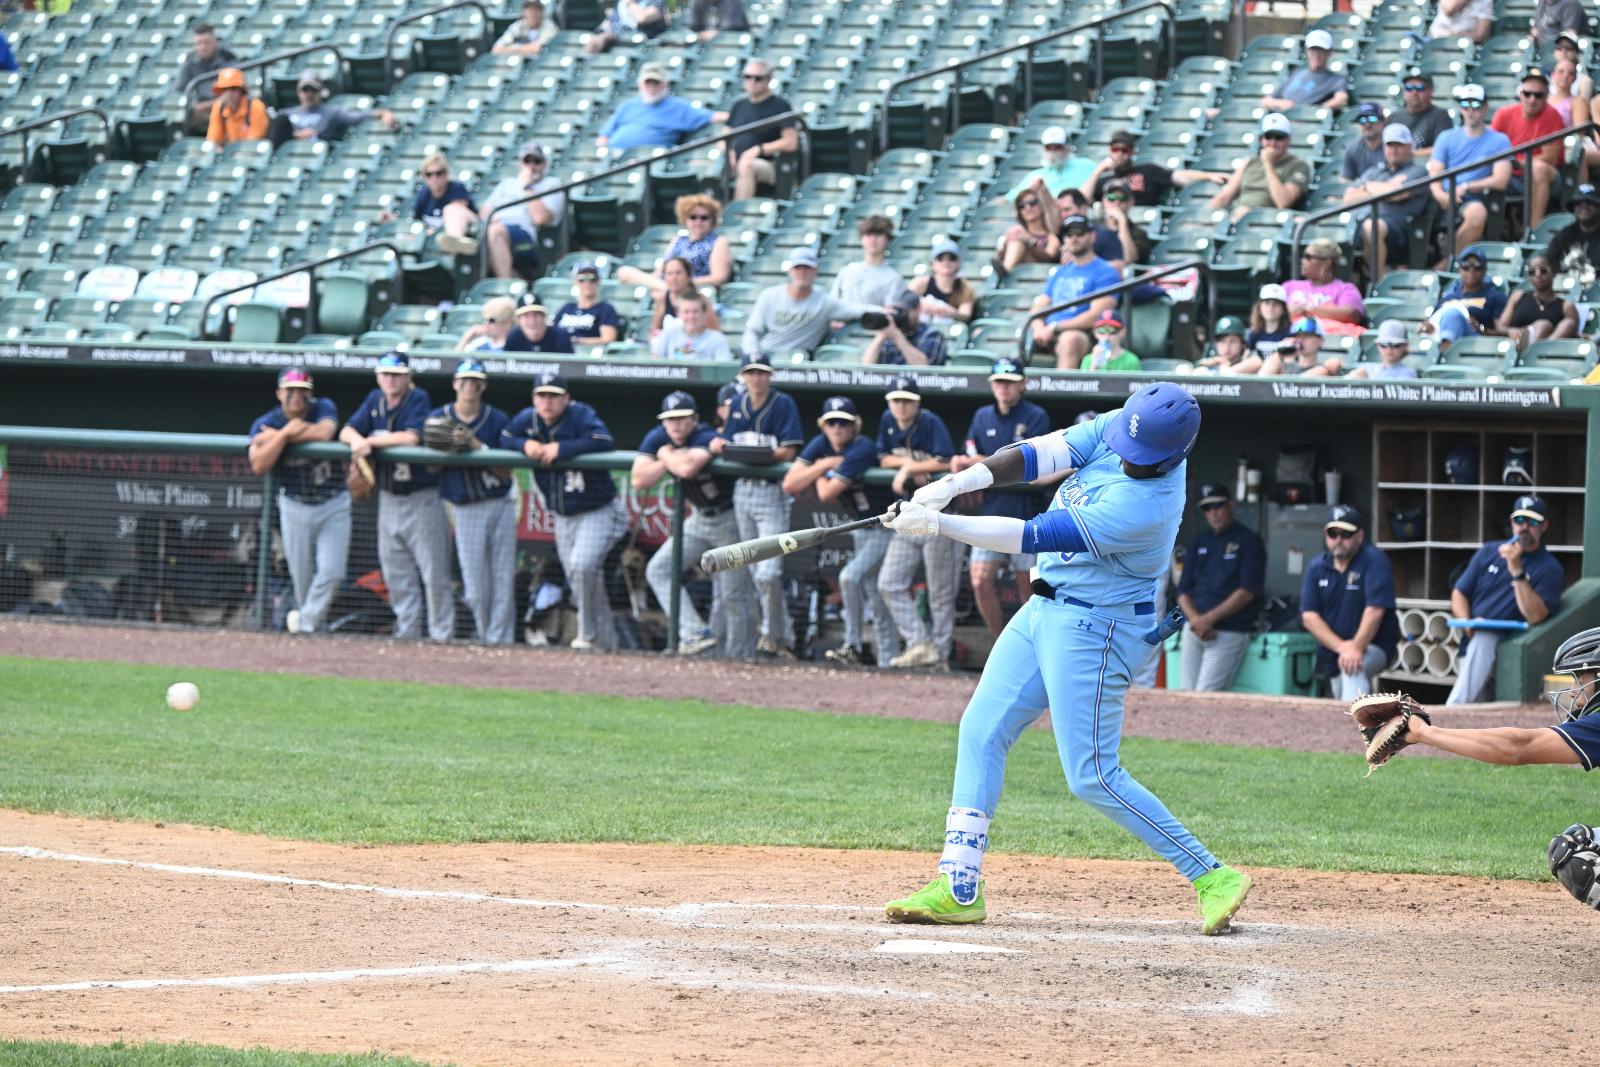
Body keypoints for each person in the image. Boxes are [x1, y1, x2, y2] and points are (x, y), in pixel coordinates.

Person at [879, 384, 1252, 935]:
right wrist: (954, 485)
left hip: (1096, 628)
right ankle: (959, 885)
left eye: (1140, 456)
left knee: (1092, 775)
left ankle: (1212, 875)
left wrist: (941, 524)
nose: (1126, 457)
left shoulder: (1145, 507)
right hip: (1043, 611)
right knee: (980, 729)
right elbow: (1032, 456)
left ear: (1174, 456)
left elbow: (1034, 535)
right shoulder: (1121, 424)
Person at [502, 372, 630, 651]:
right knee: (583, 578)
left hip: (599, 510)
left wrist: (563, 448)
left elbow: (603, 440)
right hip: (563, 517)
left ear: (566, 398)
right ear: (534, 398)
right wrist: (526, 444)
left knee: (582, 567)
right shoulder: (528, 419)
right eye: (542, 395)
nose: (547, 402)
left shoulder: (580, 414)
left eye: (554, 395)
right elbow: (505, 438)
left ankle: (587, 634)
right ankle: (607, 645)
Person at [340, 352, 455, 642]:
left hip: (422, 497)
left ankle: (441, 635)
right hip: (389, 497)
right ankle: (408, 632)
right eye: (386, 374)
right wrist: (357, 442)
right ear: (378, 376)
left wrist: (370, 443)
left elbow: (412, 437)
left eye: (397, 374)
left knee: (434, 574)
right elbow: (347, 430)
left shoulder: (417, 398)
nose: (390, 379)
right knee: (396, 572)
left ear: (407, 376)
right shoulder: (374, 400)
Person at [783, 397, 900, 668]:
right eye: (832, 423)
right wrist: (824, 465)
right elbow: (789, 483)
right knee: (875, 595)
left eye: (844, 423)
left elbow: (826, 493)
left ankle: (853, 645)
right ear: (824, 426)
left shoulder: (862, 447)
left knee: (850, 577)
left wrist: (817, 469)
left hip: (887, 527)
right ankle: (888, 662)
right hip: (862, 528)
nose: (837, 428)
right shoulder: (821, 445)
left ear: (854, 426)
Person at [633, 390, 747, 658]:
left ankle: (742, 657)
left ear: (694, 419)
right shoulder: (659, 436)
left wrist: (665, 456)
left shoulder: (705, 435)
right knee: (658, 570)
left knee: (732, 595)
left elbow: (686, 469)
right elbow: (639, 478)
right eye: (670, 419)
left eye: (682, 418)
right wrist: (670, 457)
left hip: (729, 518)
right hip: (699, 520)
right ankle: (695, 632)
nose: (676, 424)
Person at [710, 353, 805, 657]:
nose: (756, 378)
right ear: (743, 376)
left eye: (761, 372)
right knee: (753, 571)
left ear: (769, 375)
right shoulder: (736, 404)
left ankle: (771, 634)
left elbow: (790, 451)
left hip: (770, 492)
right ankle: (781, 634)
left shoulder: (783, 403)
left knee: (768, 573)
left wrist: (757, 455)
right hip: (742, 491)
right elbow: (726, 444)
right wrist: (724, 447)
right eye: (750, 372)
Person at [953, 358, 1051, 640]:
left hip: (1027, 512)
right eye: (999, 382)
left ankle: (1032, 644)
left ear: (1023, 384)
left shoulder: (1036, 416)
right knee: (980, 579)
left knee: (1027, 585)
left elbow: (1026, 465)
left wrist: (982, 462)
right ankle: (1001, 642)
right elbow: (969, 454)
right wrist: (962, 461)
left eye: (1010, 382)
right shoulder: (982, 415)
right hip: (992, 509)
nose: (1004, 387)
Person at [248, 368, 347, 636]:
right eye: (290, 391)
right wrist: (285, 434)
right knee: (303, 580)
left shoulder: (323, 407)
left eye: (302, 391)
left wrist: (281, 435)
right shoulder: (267, 421)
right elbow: (258, 463)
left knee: (332, 572)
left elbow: (326, 432)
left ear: (310, 393)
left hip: (332, 502)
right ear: (280, 393)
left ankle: (304, 624)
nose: (296, 397)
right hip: (294, 505)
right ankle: (313, 635)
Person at [430, 359, 515, 645]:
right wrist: (452, 446)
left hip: (498, 503)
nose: (470, 386)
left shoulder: (498, 418)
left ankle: (501, 640)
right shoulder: (438, 418)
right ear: (455, 384)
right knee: (476, 585)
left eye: (475, 380)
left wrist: (475, 445)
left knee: (503, 577)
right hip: (465, 508)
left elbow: (505, 474)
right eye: (464, 380)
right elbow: (430, 468)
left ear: (483, 385)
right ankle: (483, 634)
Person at [874, 376, 957, 671]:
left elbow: (947, 461)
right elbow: (883, 459)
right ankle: (921, 644)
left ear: (917, 402)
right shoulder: (887, 419)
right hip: (907, 517)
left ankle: (941, 657)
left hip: (938, 517)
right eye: (896, 400)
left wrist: (912, 467)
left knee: (940, 592)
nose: (901, 405)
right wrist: (911, 466)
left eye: (907, 400)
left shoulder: (930, 422)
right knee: (889, 583)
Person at [1446, 495, 1563, 704]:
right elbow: (1459, 593)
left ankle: (1445, 714)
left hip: (1511, 648)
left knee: (1485, 637)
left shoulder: (1550, 567)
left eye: (1533, 522)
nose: (1524, 527)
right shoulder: (1490, 551)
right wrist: (1469, 623)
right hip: (1473, 646)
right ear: (1511, 522)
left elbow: (1536, 615)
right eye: (1519, 521)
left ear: (1544, 526)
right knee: (1476, 719)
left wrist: (1516, 569)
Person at [1300, 505, 1400, 701]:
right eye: (1333, 533)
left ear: (1360, 535)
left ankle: (1355, 728)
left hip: (1374, 645)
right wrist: (1343, 647)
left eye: (1346, 534)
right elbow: (1309, 617)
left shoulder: (1374, 559)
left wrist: (1356, 646)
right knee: (1339, 695)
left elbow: (1375, 610)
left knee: (1352, 671)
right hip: (1334, 652)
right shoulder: (1316, 566)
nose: (1339, 540)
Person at [1175, 483, 1264, 692]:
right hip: (1194, 630)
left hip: (1228, 630)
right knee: (1186, 696)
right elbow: (1182, 591)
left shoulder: (1249, 540)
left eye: (1217, 505)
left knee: (1207, 696)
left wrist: (1209, 619)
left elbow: (1246, 592)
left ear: (1231, 505)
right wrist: (1197, 621)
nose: (1213, 512)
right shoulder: (1198, 542)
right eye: (1207, 508)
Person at [740, 247, 874, 359]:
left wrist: (886, 310)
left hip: (798, 362)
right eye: (798, 267)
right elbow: (752, 331)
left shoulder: (824, 302)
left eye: (807, 268)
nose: (802, 272)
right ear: (790, 270)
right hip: (765, 358)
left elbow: (856, 309)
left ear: (816, 270)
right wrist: (753, 356)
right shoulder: (768, 296)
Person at [1428, 84, 1513, 255]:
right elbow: (1434, 175)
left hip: (1469, 198)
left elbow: (1501, 180)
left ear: (1485, 108)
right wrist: (1441, 196)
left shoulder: (1500, 140)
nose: (1470, 111)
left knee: (1477, 213)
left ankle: (1447, 265)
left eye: (1476, 106)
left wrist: (1466, 186)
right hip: (1439, 198)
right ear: (1460, 108)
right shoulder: (1446, 137)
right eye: (1466, 106)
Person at [1029, 214, 1121, 368]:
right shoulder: (1059, 272)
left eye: (1079, 233)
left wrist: (1055, 327)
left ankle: (1060, 390)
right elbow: (1038, 308)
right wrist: (1039, 327)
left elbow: (1095, 316)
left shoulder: (1106, 271)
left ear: (1092, 236)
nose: (1073, 238)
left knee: (1069, 339)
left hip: (1083, 333)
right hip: (1048, 333)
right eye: (1069, 234)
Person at [1344, 124, 1431, 284]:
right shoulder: (1375, 171)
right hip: (1359, 223)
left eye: (1399, 145)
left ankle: (1377, 285)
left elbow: (1395, 195)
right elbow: (1348, 197)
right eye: (1390, 145)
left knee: (1372, 226)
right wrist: (1382, 187)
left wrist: (1368, 186)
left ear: (1410, 146)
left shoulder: (1418, 171)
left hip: (1398, 232)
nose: (1394, 149)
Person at [712, 59, 796, 201]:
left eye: (758, 78)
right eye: (747, 77)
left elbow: (791, 142)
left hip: (768, 164)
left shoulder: (780, 105)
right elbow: (723, 137)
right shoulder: (739, 105)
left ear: (769, 80)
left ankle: (738, 214)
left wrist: (759, 149)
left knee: (746, 164)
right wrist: (729, 151)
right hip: (735, 161)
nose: (751, 81)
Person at [1491, 71, 1565, 231]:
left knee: (1538, 168)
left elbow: (1549, 159)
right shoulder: (1504, 114)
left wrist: (1516, 164)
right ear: (1520, 94)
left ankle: (1532, 232)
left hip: (1548, 177)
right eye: (1527, 93)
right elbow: (1490, 148)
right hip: (1509, 174)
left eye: (1538, 95)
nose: (1532, 99)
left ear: (1546, 96)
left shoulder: (1552, 115)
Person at [481, 141, 566, 280]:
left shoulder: (553, 185)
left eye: (537, 161)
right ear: (521, 163)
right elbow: (485, 210)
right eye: (527, 161)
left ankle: (504, 286)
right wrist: (489, 218)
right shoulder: (507, 183)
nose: (531, 166)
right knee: (454, 210)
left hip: (524, 236)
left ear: (545, 163)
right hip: (495, 224)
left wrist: (528, 186)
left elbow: (541, 218)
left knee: (494, 231)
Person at [616, 194, 734, 294]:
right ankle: (666, 290)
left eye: (704, 217)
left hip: (692, 290)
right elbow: (661, 270)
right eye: (693, 217)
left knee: (660, 294)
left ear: (712, 220)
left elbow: (719, 278)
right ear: (685, 219)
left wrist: (684, 283)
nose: (698, 221)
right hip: (665, 285)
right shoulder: (678, 239)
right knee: (624, 272)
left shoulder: (718, 241)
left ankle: (667, 291)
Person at [1208, 114, 1311, 221]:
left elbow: (1283, 202)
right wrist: (1207, 216)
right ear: (1262, 140)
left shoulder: (1298, 165)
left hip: (1269, 220)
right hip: (1239, 216)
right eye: (1268, 137)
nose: (1273, 142)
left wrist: (1268, 164)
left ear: (1288, 140)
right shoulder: (1250, 162)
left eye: (1279, 137)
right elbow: (1226, 195)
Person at [1080, 130, 1220, 206]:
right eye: (1115, 149)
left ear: (1133, 152)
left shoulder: (1148, 171)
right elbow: (1082, 200)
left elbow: (1179, 176)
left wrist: (1208, 176)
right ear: (1109, 151)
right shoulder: (1105, 180)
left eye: (1125, 150)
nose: (1120, 154)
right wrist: (1097, 172)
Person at [596, 65, 710, 153]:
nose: (652, 87)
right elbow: (604, 136)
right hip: (615, 156)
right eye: (648, 82)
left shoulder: (679, 106)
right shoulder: (628, 105)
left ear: (666, 84)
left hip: (649, 159)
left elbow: (714, 116)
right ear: (640, 84)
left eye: (656, 82)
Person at [274, 72, 397, 145]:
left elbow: (357, 116)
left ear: (321, 91)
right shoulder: (284, 115)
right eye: (305, 89)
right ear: (298, 91)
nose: (309, 94)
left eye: (314, 89)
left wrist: (382, 112)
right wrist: (293, 135)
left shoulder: (331, 112)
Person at [1497, 252, 1580, 349]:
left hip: (1549, 348)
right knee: (1543, 325)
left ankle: (1536, 349)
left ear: (1553, 271)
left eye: (1543, 271)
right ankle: (1529, 347)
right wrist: (1510, 330)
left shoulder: (1566, 306)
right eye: (1532, 272)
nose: (1538, 275)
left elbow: (1573, 333)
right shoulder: (1518, 296)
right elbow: (1500, 327)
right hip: (1516, 343)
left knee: (1555, 324)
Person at [1428, 245, 1508, 346]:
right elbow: (1431, 323)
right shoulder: (1448, 298)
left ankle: (1444, 357)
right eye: (1466, 265)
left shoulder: (1495, 297)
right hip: (1440, 337)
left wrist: (1481, 329)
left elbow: (1503, 334)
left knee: (1452, 314)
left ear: (1485, 269)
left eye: (1477, 265)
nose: (1471, 270)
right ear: (1460, 269)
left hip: (1477, 343)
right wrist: (1425, 327)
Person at [407, 153, 479, 257]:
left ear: (446, 174)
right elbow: (416, 223)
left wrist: (433, 233)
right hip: (431, 245)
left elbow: (458, 217)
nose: (434, 177)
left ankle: (454, 241)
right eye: (429, 174)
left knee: (451, 209)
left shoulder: (457, 189)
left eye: (438, 173)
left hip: (462, 236)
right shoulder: (423, 194)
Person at [1283, 239, 1366, 329]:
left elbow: (1351, 315)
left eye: (1308, 257)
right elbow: (1270, 307)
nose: (1303, 261)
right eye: (1303, 256)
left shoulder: (1346, 289)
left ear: (1327, 262)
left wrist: (1306, 309)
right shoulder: (1289, 286)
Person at [1260, 29, 1349, 112]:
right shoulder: (1297, 74)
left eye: (1321, 50)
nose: (1316, 54)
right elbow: (1266, 101)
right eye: (1313, 50)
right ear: (1306, 51)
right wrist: (1283, 104)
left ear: (1329, 52)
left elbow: (1342, 99)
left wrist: (1316, 112)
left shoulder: (1335, 79)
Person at [831, 215, 908, 307]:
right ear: (861, 239)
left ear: (887, 239)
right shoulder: (846, 272)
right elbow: (832, 305)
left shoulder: (894, 278)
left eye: (878, 234)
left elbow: (890, 313)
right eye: (868, 234)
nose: (873, 239)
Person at [1001, 127, 1096, 201]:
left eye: (1058, 147)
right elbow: (1009, 198)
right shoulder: (1036, 175)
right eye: (1049, 147)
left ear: (1068, 147)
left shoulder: (1086, 165)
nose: (1053, 151)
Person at [176, 24, 239, 136]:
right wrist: (192, 106)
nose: (203, 47)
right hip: (200, 111)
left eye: (206, 42)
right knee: (178, 119)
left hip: (224, 108)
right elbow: (178, 90)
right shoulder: (190, 61)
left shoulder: (228, 58)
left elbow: (232, 95)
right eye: (199, 43)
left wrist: (202, 107)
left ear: (215, 41)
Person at [860, 289, 949, 366]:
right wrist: (881, 335)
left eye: (902, 311)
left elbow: (925, 370)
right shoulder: (888, 334)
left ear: (918, 310)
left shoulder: (932, 335)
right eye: (895, 310)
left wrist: (897, 337)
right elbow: (866, 367)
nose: (898, 315)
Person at [648, 257, 723, 336]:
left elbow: (715, 333)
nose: (674, 278)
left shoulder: (701, 299)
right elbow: (654, 333)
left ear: (688, 275)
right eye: (669, 274)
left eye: (678, 273)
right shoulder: (662, 298)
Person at [908, 237, 976, 323]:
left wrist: (951, 313)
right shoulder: (921, 282)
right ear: (933, 263)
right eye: (940, 258)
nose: (946, 261)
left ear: (959, 262)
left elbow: (966, 315)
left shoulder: (965, 289)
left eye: (952, 258)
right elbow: (906, 298)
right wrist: (922, 302)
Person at [650, 290, 733, 360]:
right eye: (686, 312)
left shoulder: (717, 339)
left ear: (705, 312)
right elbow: (656, 360)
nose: (691, 316)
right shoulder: (670, 333)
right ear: (678, 313)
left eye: (695, 311)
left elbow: (724, 370)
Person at [553, 261, 621, 346]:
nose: (587, 283)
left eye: (592, 278)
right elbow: (549, 329)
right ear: (575, 281)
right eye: (581, 279)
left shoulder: (605, 309)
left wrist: (577, 340)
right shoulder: (567, 307)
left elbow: (608, 339)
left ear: (599, 281)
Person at [1545, 183, 1600, 280]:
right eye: (1578, 203)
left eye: (1589, 202)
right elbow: (1548, 263)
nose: (1583, 205)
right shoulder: (1565, 235)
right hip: (1565, 291)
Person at [1391, 71, 1453, 157]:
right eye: (1409, 88)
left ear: (1431, 91)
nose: (1414, 92)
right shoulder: (1394, 117)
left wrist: (1408, 154)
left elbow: (1441, 148)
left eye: (1420, 88)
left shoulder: (1440, 115)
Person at [999, 184, 1060, 271]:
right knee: (1016, 238)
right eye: (1022, 206)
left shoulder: (1051, 235)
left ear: (1041, 205)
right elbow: (1000, 256)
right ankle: (1006, 270)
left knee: (1018, 239)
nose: (1028, 208)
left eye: (1032, 203)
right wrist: (1005, 243)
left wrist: (1030, 241)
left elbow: (1049, 258)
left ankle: (1006, 270)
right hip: (1017, 271)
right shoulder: (1019, 232)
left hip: (1038, 273)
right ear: (1019, 212)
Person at [205, 68, 269, 146]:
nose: (229, 93)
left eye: (233, 88)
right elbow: (213, 142)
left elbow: (253, 144)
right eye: (225, 89)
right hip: (233, 153)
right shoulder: (219, 107)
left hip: (255, 155)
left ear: (241, 90)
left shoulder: (255, 106)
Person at [1261, 317, 1343, 376]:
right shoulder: (1285, 366)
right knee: (1273, 362)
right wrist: (1280, 353)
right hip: (1284, 396)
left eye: (1307, 336)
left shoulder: (1324, 369)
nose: (1301, 340)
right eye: (1298, 336)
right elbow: (1261, 381)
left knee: (1322, 371)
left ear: (1321, 340)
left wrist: (1331, 368)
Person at [1073, 308, 1141, 372]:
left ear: (1122, 332)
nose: (1107, 335)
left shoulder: (1131, 360)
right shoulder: (1088, 360)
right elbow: (1085, 383)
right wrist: (1094, 366)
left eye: (1112, 330)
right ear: (1096, 332)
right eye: (1102, 330)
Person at [1347, 319, 1420, 378]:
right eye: (1383, 345)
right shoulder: (1367, 368)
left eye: (1396, 345)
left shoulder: (1408, 373)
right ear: (1378, 345)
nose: (1389, 350)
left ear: (1406, 346)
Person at [584, 0, 666, 52]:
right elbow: (607, 22)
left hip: (639, 42)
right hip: (614, 39)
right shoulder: (621, 3)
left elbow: (643, 18)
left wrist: (630, 3)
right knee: (595, 38)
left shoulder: (655, 2)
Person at [1196, 316, 1263, 374]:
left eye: (1233, 341)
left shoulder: (1246, 363)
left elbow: (1257, 362)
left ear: (1243, 344)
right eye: (1222, 341)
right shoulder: (1210, 363)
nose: (1227, 346)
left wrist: (1228, 370)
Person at [1244, 284, 1293, 360]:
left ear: (1284, 309)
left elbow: (1290, 361)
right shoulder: (1255, 332)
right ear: (1259, 307)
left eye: (1276, 304)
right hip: (1260, 369)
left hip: (1281, 369)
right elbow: (1245, 356)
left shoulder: (1290, 332)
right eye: (1267, 303)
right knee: (1255, 361)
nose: (1271, 307)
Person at [1341, 102, 1388, 180]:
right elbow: (1346, 181)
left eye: (1372, 119)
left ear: (1382, 121)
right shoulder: (1352, 149)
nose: (1367, 124)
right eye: (1362, 120)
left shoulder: (1393, 147)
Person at [505, 301, 575, 353]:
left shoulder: (560, 336)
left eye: (536, 315)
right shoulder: (513, 337)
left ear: (543, 317)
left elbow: (570, 367)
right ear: (518, 320)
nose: (532, 321)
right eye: (526, 315)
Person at [1429, 0, 1495, 42]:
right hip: (1434, 38)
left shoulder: (1486, 2)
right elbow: (1449, 10)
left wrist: (1449, 35)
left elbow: (1481, 36)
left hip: (1462, 45)